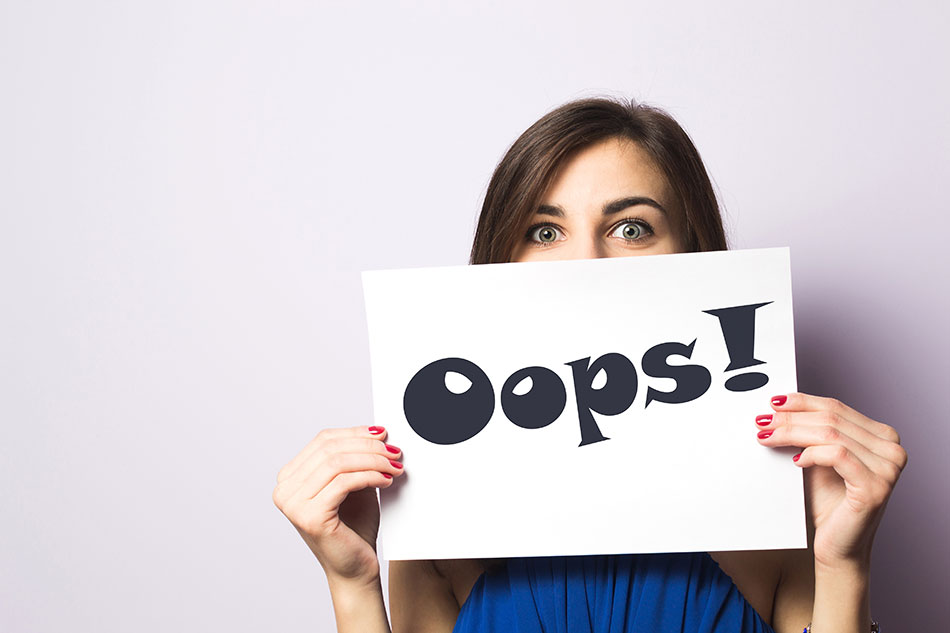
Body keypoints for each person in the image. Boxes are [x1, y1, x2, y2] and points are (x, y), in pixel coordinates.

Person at [272, 97, 907, 633]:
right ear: (502, 260)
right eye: (545, 232)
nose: (586, 265)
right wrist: (352, 582)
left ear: (696, 254)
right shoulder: (445, 514)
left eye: (631, 228)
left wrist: (844, 566)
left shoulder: (770, 505)